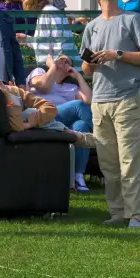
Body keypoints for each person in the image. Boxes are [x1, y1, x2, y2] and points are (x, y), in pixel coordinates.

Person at [82, 0, 140, 228]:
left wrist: (118, 54)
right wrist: (91, 62)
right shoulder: (91, 27)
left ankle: (135, 215)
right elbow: (86, 69)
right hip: (99, 101)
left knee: (130, 160)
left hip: (126, 97)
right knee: (108, 163)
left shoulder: (132, 19)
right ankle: (117, 213)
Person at [27, 53, 95, 191]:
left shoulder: (71, 88)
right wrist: (52, 67)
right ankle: (106, 137)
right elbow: (43, 86)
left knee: (81, 125)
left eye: (67, 61)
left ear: (69, 69)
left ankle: (78, 176)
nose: (63, 61)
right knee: (77, 105)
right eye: (60, 59)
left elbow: (88, 101)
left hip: (62, 123)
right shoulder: (39, 72)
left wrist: (78, 76)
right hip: (42, 117)